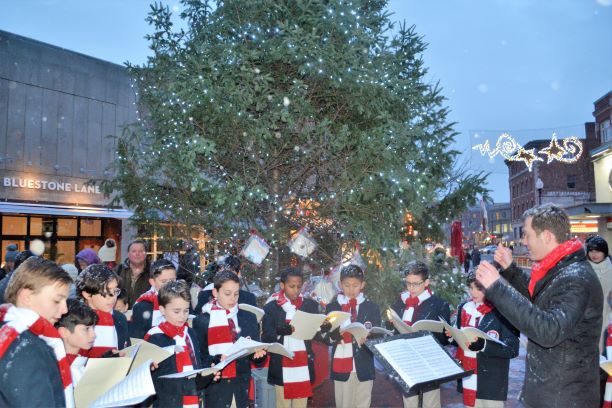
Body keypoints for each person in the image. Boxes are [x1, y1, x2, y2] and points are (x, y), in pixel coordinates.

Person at [476, 203, 603, 408]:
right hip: (547, 391)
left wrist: (497, 288)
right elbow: (538, 299)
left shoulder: (576, 278)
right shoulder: (561, 268)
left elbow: (548, 329)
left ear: (546, 236)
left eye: (527, 235)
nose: (523, 241)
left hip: (562, 398)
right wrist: (510, 270)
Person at [0, 257, 73, 407]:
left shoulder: (9, 331)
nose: (65, 309)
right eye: (57, 300)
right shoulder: (27, 348)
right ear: (27, 297)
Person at [192, 270, 266, 408]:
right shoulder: (202, 321)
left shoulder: (248, 318)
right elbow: (199, 359)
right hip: (216, 388)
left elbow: (254, 353)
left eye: (236, 293)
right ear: (215, 293)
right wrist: (214, 360)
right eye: (227, 294)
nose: (233, 298)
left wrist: (258, 356)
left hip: (240, 386)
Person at [262, 267, 330, 408]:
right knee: (283, 404)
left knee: (301, 403)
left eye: (299, 287)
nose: (295, 290)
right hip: (282, 363)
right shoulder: (271, 308)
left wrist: (322, 328)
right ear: (282, 285)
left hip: (303, 363)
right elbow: (266, 337)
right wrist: (281, 330)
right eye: (291, 286)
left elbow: (315, 334)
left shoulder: (309, 305)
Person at [451, 272, 519, 408]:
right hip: (468, 378)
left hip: (491, 383)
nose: (473, 292)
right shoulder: (464, 309)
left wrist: (484, 345)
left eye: (479, 288)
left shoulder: (503, 312)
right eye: (471, 288)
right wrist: (451, 335)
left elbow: (512, 349)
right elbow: (459, 340)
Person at [390, 261, 451, 408]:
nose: (411, 288)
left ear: (426, 282)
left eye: (416, 284)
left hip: (429, 362)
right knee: (410, 401)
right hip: (406, 360)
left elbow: (445, 339)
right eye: (408, 283)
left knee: (430, 403)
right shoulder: (400, 302)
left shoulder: (438, 304)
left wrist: (447, 334)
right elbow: (392, 329)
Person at [324, 264, 380, 408]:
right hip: (341, 364)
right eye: (347, 285)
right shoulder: (333, 307)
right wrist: (335, 335)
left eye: (355, 285)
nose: (351, 290)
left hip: (364, 364)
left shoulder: (372, 307)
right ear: (340, 285)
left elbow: (377, 335)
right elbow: (325, 336)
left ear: (362, 285)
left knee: (363, 403)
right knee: (344, 404)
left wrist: (369, 338)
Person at [145, 280, 209, 407]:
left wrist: (210, 371)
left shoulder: (190, 333)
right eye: (176, 311)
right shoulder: (155, 336)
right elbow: (152, 377)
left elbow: (197, 365)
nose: (182, 316)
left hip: (193, 399)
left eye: (186, 311)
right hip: (168, 402)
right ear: (162, 309)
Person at [76, 264, 130, 357]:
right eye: (107, 292)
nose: (113, 297)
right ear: (87, 294)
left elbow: (125, 350)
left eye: (115, 291)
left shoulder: (119, 318)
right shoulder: (76, 320)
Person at [130, 258, 177, 339]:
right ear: (152, 282)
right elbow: (140, 339)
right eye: (164, 281)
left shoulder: (181, 298)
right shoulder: (143, 306)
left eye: (172, 280)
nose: (170, 285)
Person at [55, 298, 98, 385]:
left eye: (93, 328)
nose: (93, 334)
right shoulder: (57, 371)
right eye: (86, 329)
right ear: (64, 332)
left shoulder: (82, 361)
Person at [585, 235, 612, 351]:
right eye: (591, 251)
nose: (594, 255)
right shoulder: (583, 270)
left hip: (608, 319)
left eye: (598, 251)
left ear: (604, 252)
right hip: (587, 320)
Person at [116, 239, 151, 306]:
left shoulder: (153, 272)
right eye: (134, 251)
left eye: (141, 251)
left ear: (146, 253)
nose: (137, 254)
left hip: (146, 313)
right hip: (123, 313)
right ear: (128, 254)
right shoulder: (118, 270)